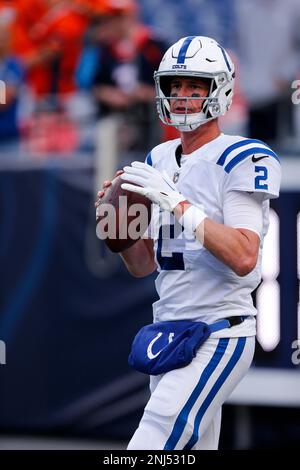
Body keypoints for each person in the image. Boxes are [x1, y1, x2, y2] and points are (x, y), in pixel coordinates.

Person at [95, 36, 281, 450]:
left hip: (218, 331)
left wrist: (177, 203)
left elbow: (245, 256)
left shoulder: (244, 156)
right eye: (174, 86)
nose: (181, 97)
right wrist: (121, 232)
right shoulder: (157, 159)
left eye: (193, 86)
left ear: (219, 89)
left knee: (151, 444)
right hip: (169, 331)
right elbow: (144, 266)